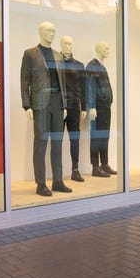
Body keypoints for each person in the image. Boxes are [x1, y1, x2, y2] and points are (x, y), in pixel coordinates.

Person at [20, 22, 73, 196]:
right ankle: (41, 183)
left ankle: (57, 181)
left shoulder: (58, 56)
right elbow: (24, 81)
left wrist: (64, 105)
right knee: (40, 144)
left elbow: (63, 82)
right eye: (49, 30)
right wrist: (26, 105)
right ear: (40, 31)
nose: (52, 34)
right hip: (40, 104)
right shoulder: (30, 54)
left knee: (57, 144)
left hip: (57, 104)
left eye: (54, 31)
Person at [59, 36, 87, 182]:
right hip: (58, 107)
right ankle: (57, 173)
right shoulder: (55, 63)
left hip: (74, 107)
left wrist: (84, 107)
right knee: (57, 140)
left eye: (70, 44)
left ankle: (75, 170)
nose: (68, 46)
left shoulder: (79, 65)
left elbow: (83, 87)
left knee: (74, 139)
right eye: (65, 43)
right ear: (60, 45)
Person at [86, 41, 115, 178]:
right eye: (106, 48)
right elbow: (90, 87)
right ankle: (95, 167)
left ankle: (104, 163)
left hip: (105, 107)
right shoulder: (92, 66)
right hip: (97, 108)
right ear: (99, 49)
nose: (108, 50)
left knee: (105, 136)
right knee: (96, 137)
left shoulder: (101, 66)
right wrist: (92, 106)